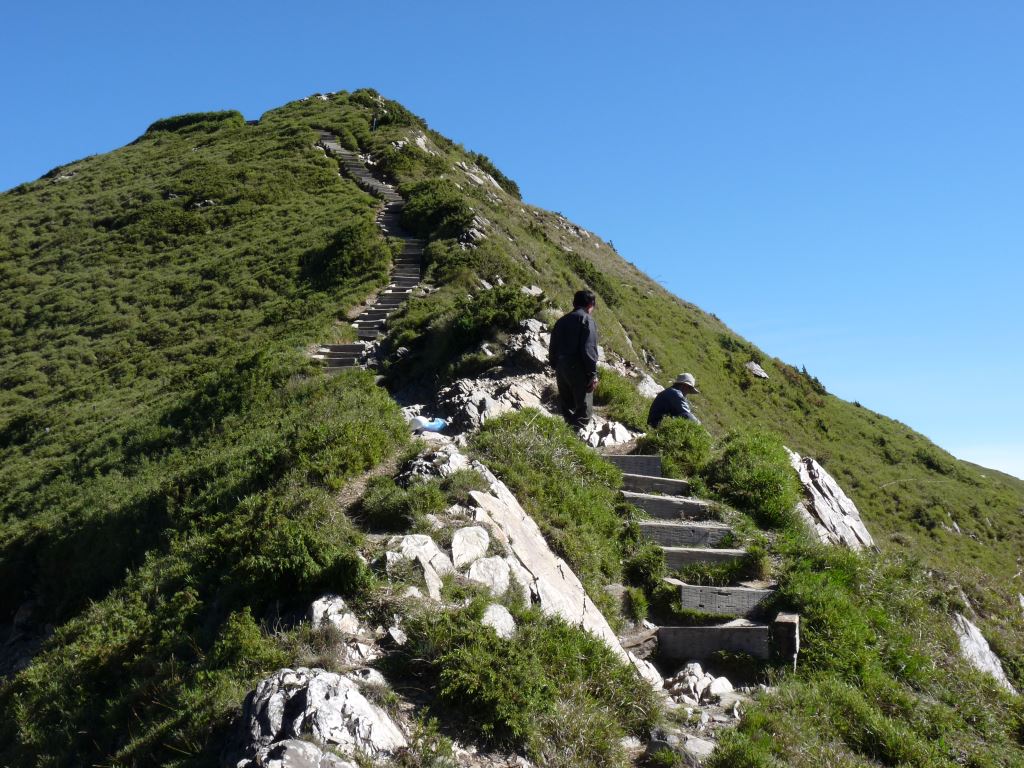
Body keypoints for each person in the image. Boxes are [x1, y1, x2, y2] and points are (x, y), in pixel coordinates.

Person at [548, 289, 599, 429]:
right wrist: (592, 374)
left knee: (567, 407)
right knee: (584, 411)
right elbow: (589, 349)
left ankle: (565, 439)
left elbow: (552, 346)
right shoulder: (587, 320)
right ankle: (574, 440)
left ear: (574, 303)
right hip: (578, 368)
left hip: (560, 367)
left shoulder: (561, 321)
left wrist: (556, 365)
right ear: (590, 305)